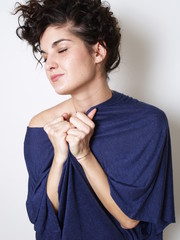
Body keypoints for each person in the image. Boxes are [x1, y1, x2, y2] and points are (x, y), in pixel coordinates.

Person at [14, 0, 175, 239]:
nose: (50, 64)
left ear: (98, 51)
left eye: (62, 49)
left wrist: (83, 155)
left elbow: (129, 218)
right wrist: (60, 158)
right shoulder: (42, 127)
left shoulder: (147, 123)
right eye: (45, 55)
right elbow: (44, 218)